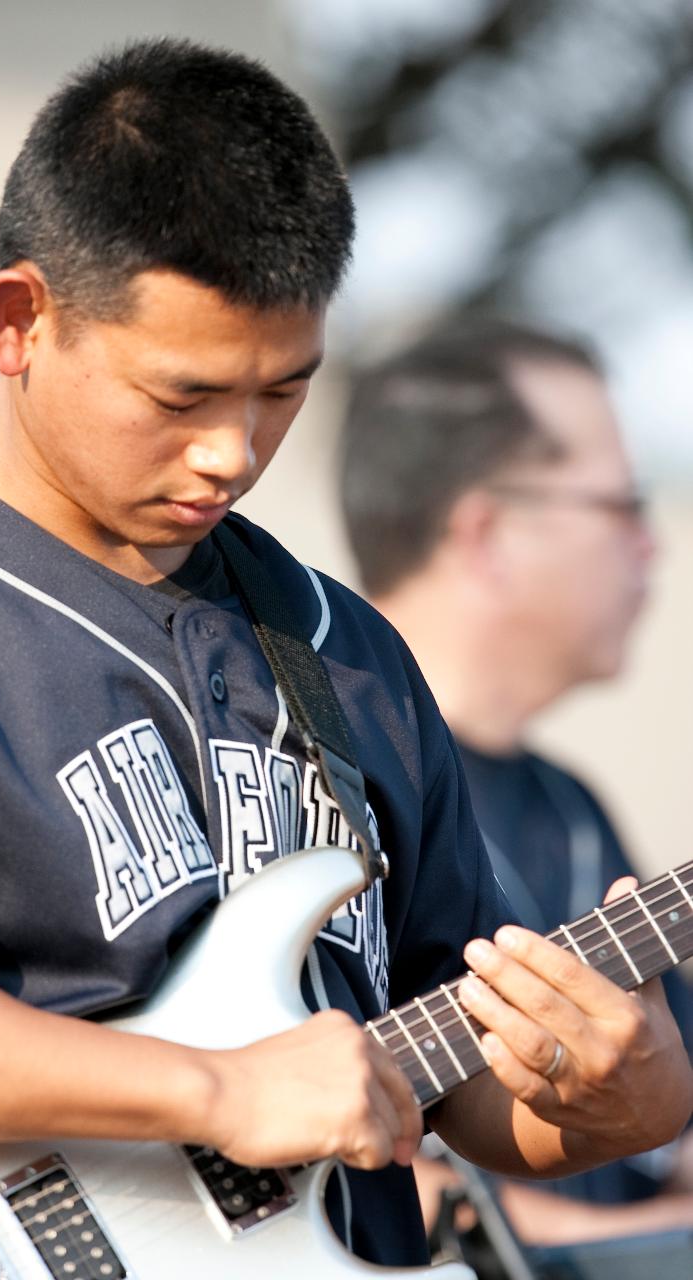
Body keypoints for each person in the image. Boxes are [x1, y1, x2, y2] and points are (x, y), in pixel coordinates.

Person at [0, 42, 689, 1275]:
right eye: (180, 396)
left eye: (282, 392)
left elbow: (447, 1087)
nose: (232, 454)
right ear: (19, 320)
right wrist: (210, 1090)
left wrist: (626, 1093)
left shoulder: (343, 652)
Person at [341, 317, 693, 1250]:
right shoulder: (316, 776)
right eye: (622, 504)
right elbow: (349, 1187)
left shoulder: (570, 809)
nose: (651, 547)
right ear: (488, 533)